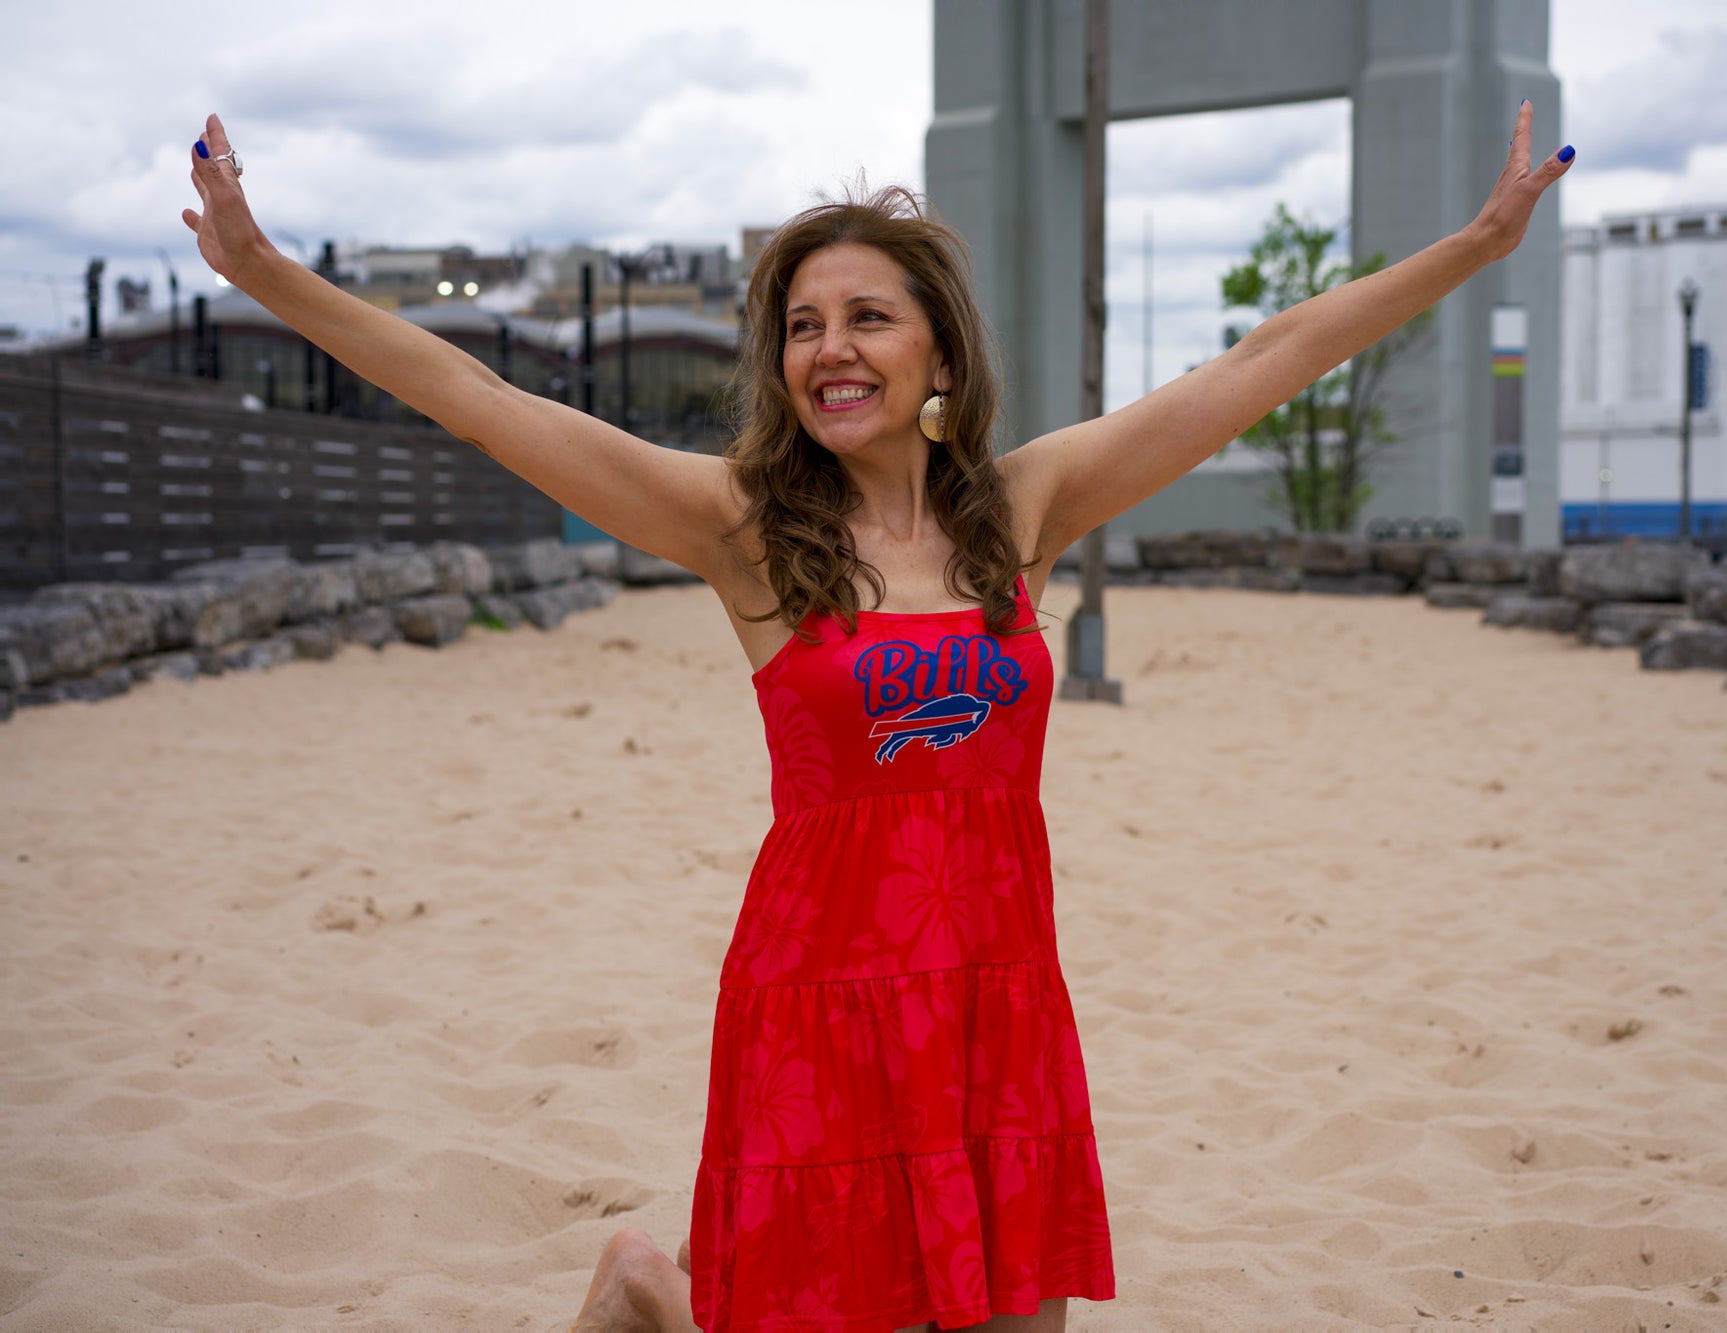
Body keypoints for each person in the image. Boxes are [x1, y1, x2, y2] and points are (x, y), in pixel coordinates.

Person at [181, 105, 1572, 1332]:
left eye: (866, 317)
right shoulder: (744, 529)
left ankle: (665, 1292)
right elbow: (484, 402)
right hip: (823, 1009)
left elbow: (1251, 365)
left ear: (936, 350)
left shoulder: (1021, 511)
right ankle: (652, 1288)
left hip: (997, 999)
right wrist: (268, 278)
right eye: (801, 325)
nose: (829, 350)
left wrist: (1471, 248)